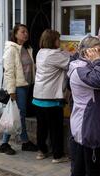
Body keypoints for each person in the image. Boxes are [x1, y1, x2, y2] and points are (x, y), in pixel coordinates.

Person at [68, 36, 100, 176]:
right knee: (93, 174)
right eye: (98, 50)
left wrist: (97, 61)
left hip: (91, 129)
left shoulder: (92, 68)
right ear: (87, 52)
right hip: (91, 131)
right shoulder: (80, 70)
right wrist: (97, 60)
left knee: (79, 171)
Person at [0, 24, 37, 155]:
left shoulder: (27, 48)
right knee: (18, 115)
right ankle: (8, 143)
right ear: (15, 34)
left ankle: (17, 142)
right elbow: (8, 72)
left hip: (26, 85)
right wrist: (12, 91)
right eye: (22, 32)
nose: (25, 34)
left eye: (26, 31)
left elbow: (30, 67)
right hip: (17, 87)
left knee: (19, 114)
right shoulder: (11, 49)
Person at [32, 29, 69, 163]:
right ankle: (57, 156)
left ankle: (41, 151)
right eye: (58, 39)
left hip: (38, 97)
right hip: (51, 98)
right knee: (55, 128)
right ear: (53, 41)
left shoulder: (40, 53)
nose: (60, 41)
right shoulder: (54, 55)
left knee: (41, 127)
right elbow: (69, 63)